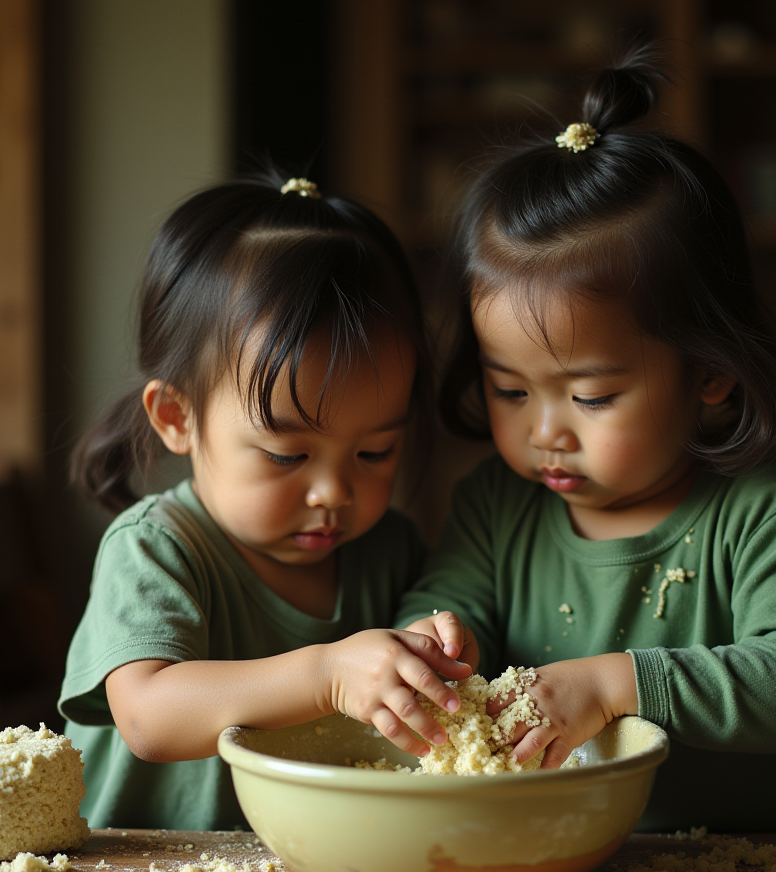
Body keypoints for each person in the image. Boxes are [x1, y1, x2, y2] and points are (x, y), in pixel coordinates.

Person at [399, 50, 776, 832]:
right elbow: (452, 604)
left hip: (752, 860)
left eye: (590, 395)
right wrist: (431, 640)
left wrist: (617, 684)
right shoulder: (495, 506)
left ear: (710, 374)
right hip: (569, 858)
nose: (545, 430)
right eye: (510, 390)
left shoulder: (757, 517)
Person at [59, 170, 471, 830]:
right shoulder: (156, 549)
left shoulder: (386, 550)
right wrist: (328, 674)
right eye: (287, 454)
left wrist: (425, 651)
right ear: (177, 417)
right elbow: (148, 717)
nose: (334, 492)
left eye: (375, 453)